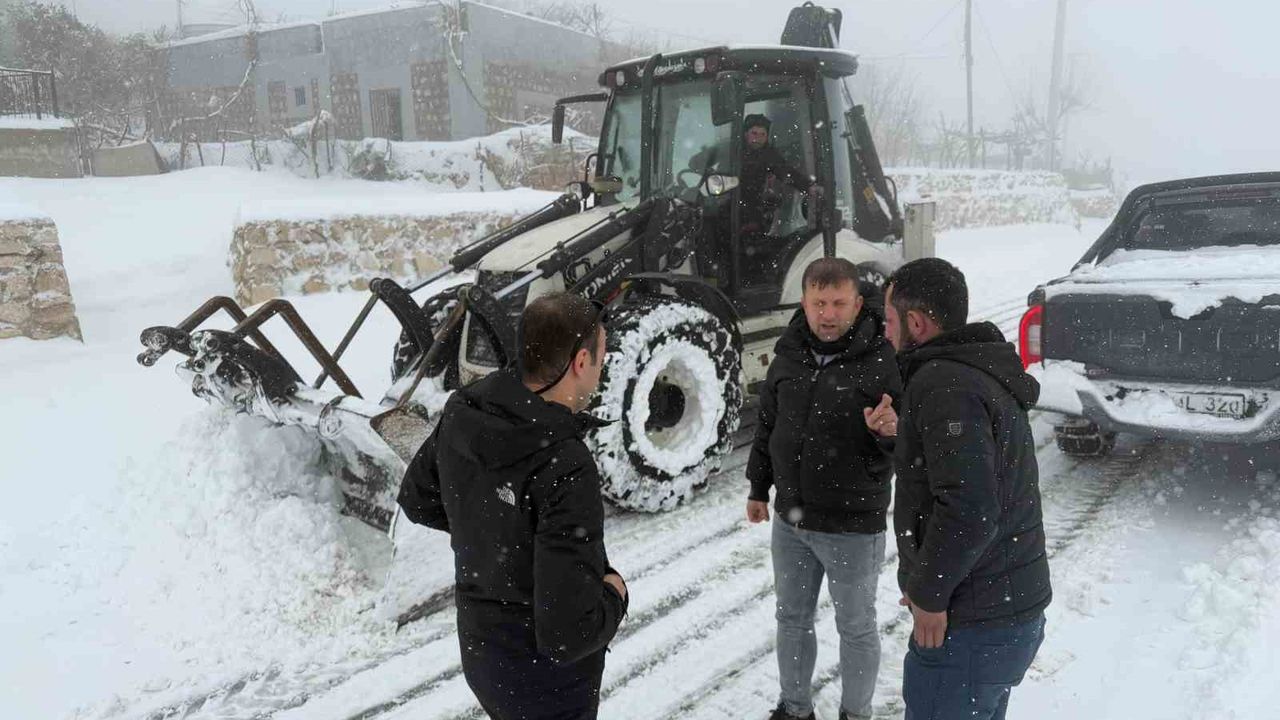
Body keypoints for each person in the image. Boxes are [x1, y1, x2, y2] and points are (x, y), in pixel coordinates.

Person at [397, 292, 628, 720]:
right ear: (580, 362)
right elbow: (568, 635)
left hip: (483, 656)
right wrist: (616, 595)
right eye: (601, 359)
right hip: (548, 684)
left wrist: (491, 529)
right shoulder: (565, 464)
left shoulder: (465, 410)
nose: (600, 371)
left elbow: (418, 499)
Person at [865, 258, 1051, 720]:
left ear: (916, 323)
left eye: (890, 321)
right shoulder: (971, 368)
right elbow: (961, 467)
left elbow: (970, 507)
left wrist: (929, 592)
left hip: (973, 626)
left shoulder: (944, 384)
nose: (886, 332)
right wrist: (902, 437)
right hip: (1002, 615)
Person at [746, 257, 903, 720]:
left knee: (855, 627)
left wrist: (889, 432)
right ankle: (795, 710)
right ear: (804, 302)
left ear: (857, 304)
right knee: (791, 619)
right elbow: (768, 425)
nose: (827, 314)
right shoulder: (789, 354)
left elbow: (907, 445)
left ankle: (856, 714)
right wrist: (758, 487)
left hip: (852, 525)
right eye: (819, 303)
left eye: (838, 303)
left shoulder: (883, 360)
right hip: (790, 521)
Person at [739, 113, 819, 235]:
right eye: (754, 133)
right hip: (733, 203)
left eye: (763, 134)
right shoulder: (733, 151)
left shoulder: (768, 155)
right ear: (746, 134)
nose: (758, 138)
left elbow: (786, 172)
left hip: (754, 208)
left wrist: (808, 187)